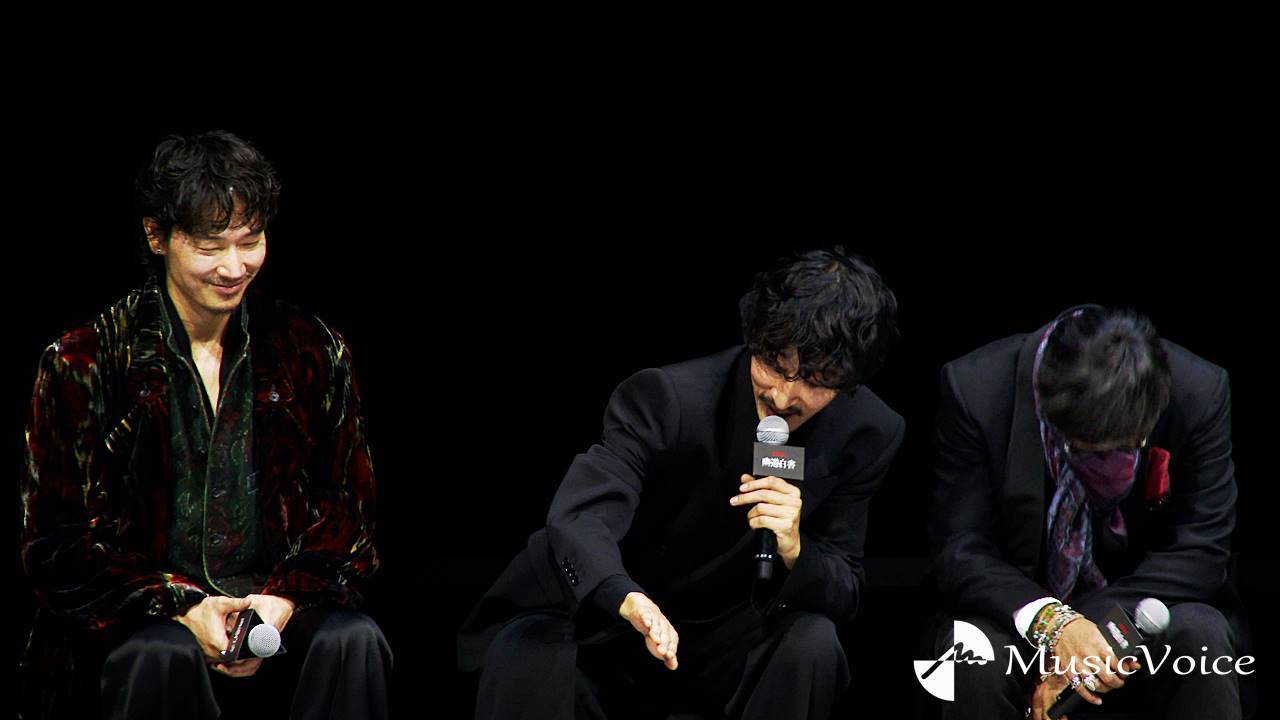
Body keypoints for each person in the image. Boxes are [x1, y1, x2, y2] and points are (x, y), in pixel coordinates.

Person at [19, 130, 392, 720]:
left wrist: (283, 601)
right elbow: (56, 547)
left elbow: (350, 517)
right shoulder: (85, 361)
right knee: (160, 653)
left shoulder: (310, 349)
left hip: (271, 614)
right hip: (146, 622)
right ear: (157, 236)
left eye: (250, 241)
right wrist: (182, 607)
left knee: (352, 638)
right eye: (210, 245)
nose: (234, 266)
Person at [458, 247, 905, 719]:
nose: (783, 395)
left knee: (811, 642)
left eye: (814, 382)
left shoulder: (867, 430)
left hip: (726, 635)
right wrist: (627, 598)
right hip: (611, 618)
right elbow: (583, 514)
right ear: (756, 339)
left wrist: (796, 549)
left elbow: (844, 584)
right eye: (775, 364)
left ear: (848, 381)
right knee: (528, 653)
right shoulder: (669, 398)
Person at [929, 305, 1250, 720]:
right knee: (973, 655)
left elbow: (1201, 550)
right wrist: (1052, 623)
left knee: (1201, 634)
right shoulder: (976, 388)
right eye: (1092, 454)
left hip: (1137, 605)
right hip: (1015, 609)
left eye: (1127, 448)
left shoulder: (1199, 391)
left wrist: (1085, 634)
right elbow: (961, 549)